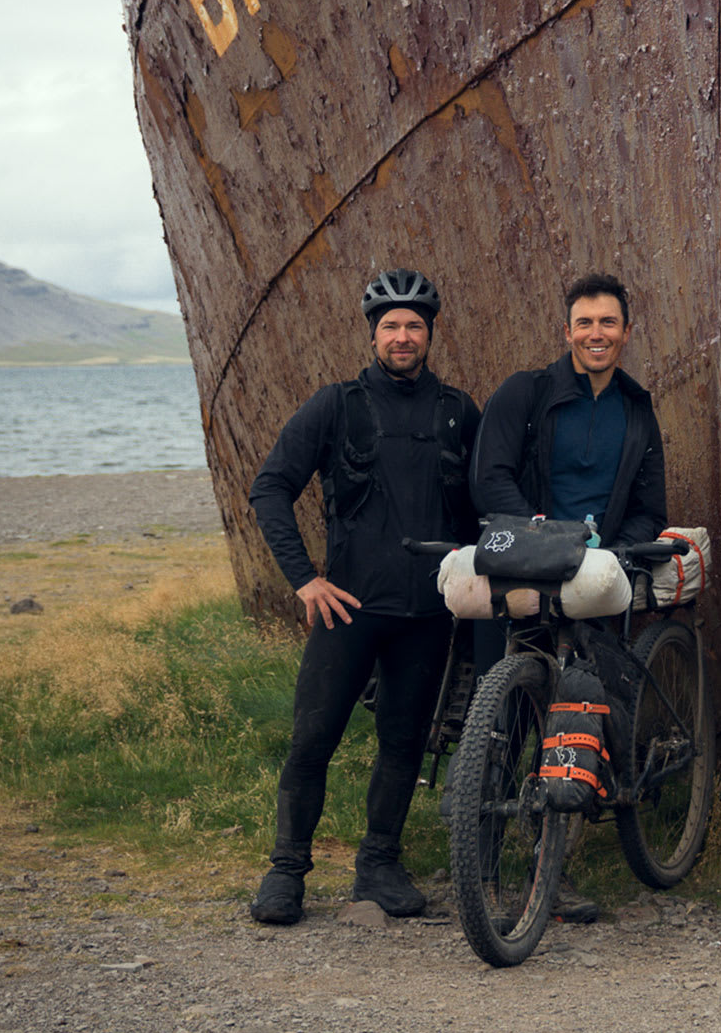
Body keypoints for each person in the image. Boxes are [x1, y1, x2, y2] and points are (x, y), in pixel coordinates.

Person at [247, 267, 481, 926]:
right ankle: (286, 870)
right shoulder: (336, 405)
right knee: (311, 740)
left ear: (428, 334)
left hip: (427, 615)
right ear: (373, 334)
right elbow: (270, 488)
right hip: (347, 608)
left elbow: (483, 500)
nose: (402, 337)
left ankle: (378, 864)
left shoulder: (457, 411)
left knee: (404, 743)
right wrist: (303, 579)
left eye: (413, 326)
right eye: (391, 327)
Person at [469, 271, 670, 923]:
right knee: (503, 726)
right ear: (567, 331)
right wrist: (535, 531)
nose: (595, 334)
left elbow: (649, 508)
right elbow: (489, 476)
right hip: (526, 571)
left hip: (593, 579)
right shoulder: (525, 394)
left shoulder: (637, 409)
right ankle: (492, 869)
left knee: (579, 718)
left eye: (607, 323)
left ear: (626, 332)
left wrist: (612, 555)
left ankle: (554, 868)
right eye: (584, 323)